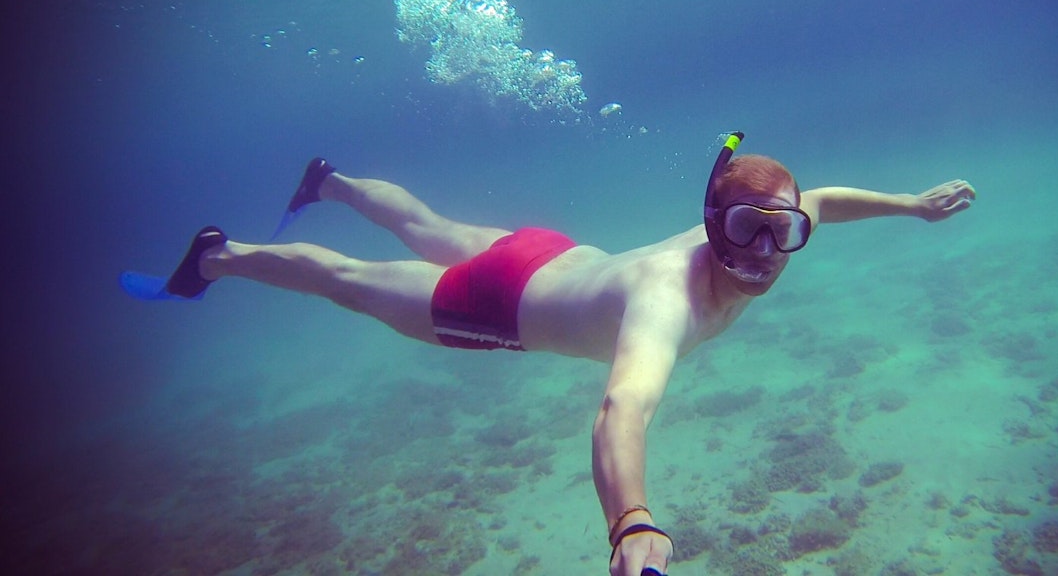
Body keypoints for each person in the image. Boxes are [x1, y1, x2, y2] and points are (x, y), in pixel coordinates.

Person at [122, 133, 975, 576]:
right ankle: (218, 257)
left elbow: (825, 197)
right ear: (713, 226)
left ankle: (329, 180)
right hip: (497, 301)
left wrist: (909, 205)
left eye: (781, 233)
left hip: (548, 253)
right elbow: (623, 407)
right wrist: (632, 521)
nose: (762, 254)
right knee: (349, 280)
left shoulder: (782, 224)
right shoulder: (664, 303)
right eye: (746, 233)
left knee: (426, 226)